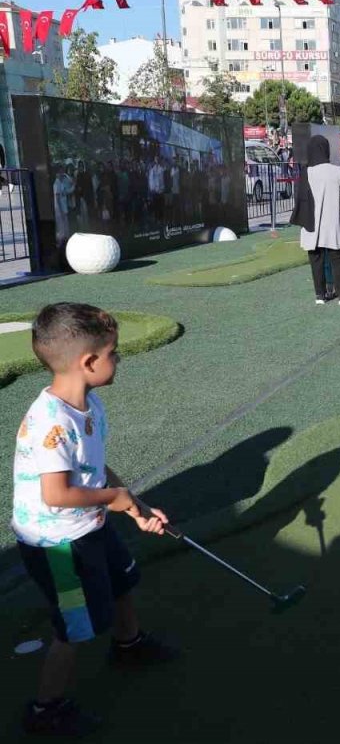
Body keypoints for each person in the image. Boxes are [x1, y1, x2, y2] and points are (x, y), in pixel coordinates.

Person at [14, 303, 177, 737]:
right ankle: (46, 709)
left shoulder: (91, 405)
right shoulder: (51, 423)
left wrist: (136, 506)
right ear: (89, 362)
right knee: (74, 627)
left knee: (123, 582)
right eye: (114, 353)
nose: (118, 359)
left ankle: (129, 645)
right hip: (58, 544)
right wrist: (117, 499)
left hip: (89, 525)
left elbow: (96, 471)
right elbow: (57, 493)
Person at [299, 135, 340, 305]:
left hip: (311, 223)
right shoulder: (336, 170)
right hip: (333, 222)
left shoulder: (306, 172)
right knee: (337, 259)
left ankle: (320, 295)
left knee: (316, 260)